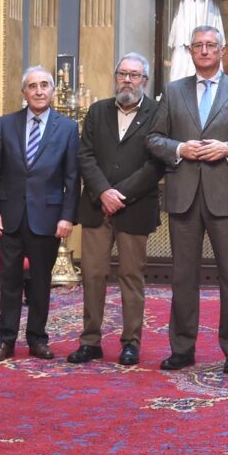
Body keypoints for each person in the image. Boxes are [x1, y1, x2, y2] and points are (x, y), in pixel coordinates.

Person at [146, 25, 228, 373]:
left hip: (226, 195)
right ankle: (182, 347)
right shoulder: (173, 90)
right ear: (190, 51)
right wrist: (179, 148)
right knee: (183, 275)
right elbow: (153, 137)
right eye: (198, 45)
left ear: (222, 50)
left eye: (211, 45)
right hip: (183, 196)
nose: (205, 51)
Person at [68, 53, 164, 367]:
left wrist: (120, 193)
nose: (127, 80)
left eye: (134, 75)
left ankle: (130, 343)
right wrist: (104, 191)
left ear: (145, 81)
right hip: (97, 206)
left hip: (134, 208)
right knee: (93, 274)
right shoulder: (97, 112)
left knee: (130, 276)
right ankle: (90, 341)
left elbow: (156, 163)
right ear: (115, 77)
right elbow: (85, 156)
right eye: (122, 73)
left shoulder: (158, 113)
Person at [0, 66, 80, 362]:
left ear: (51, 91)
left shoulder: (66, 128)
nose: (38, 91)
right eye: (32, 86)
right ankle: (5, 341)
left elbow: (72, 177)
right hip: (10, 216)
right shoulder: (6, 124)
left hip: (48, 218)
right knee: (9, 282)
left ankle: (38, 339)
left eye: (44, 85)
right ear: (24, 92)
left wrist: (67, 216)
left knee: (40, 283)